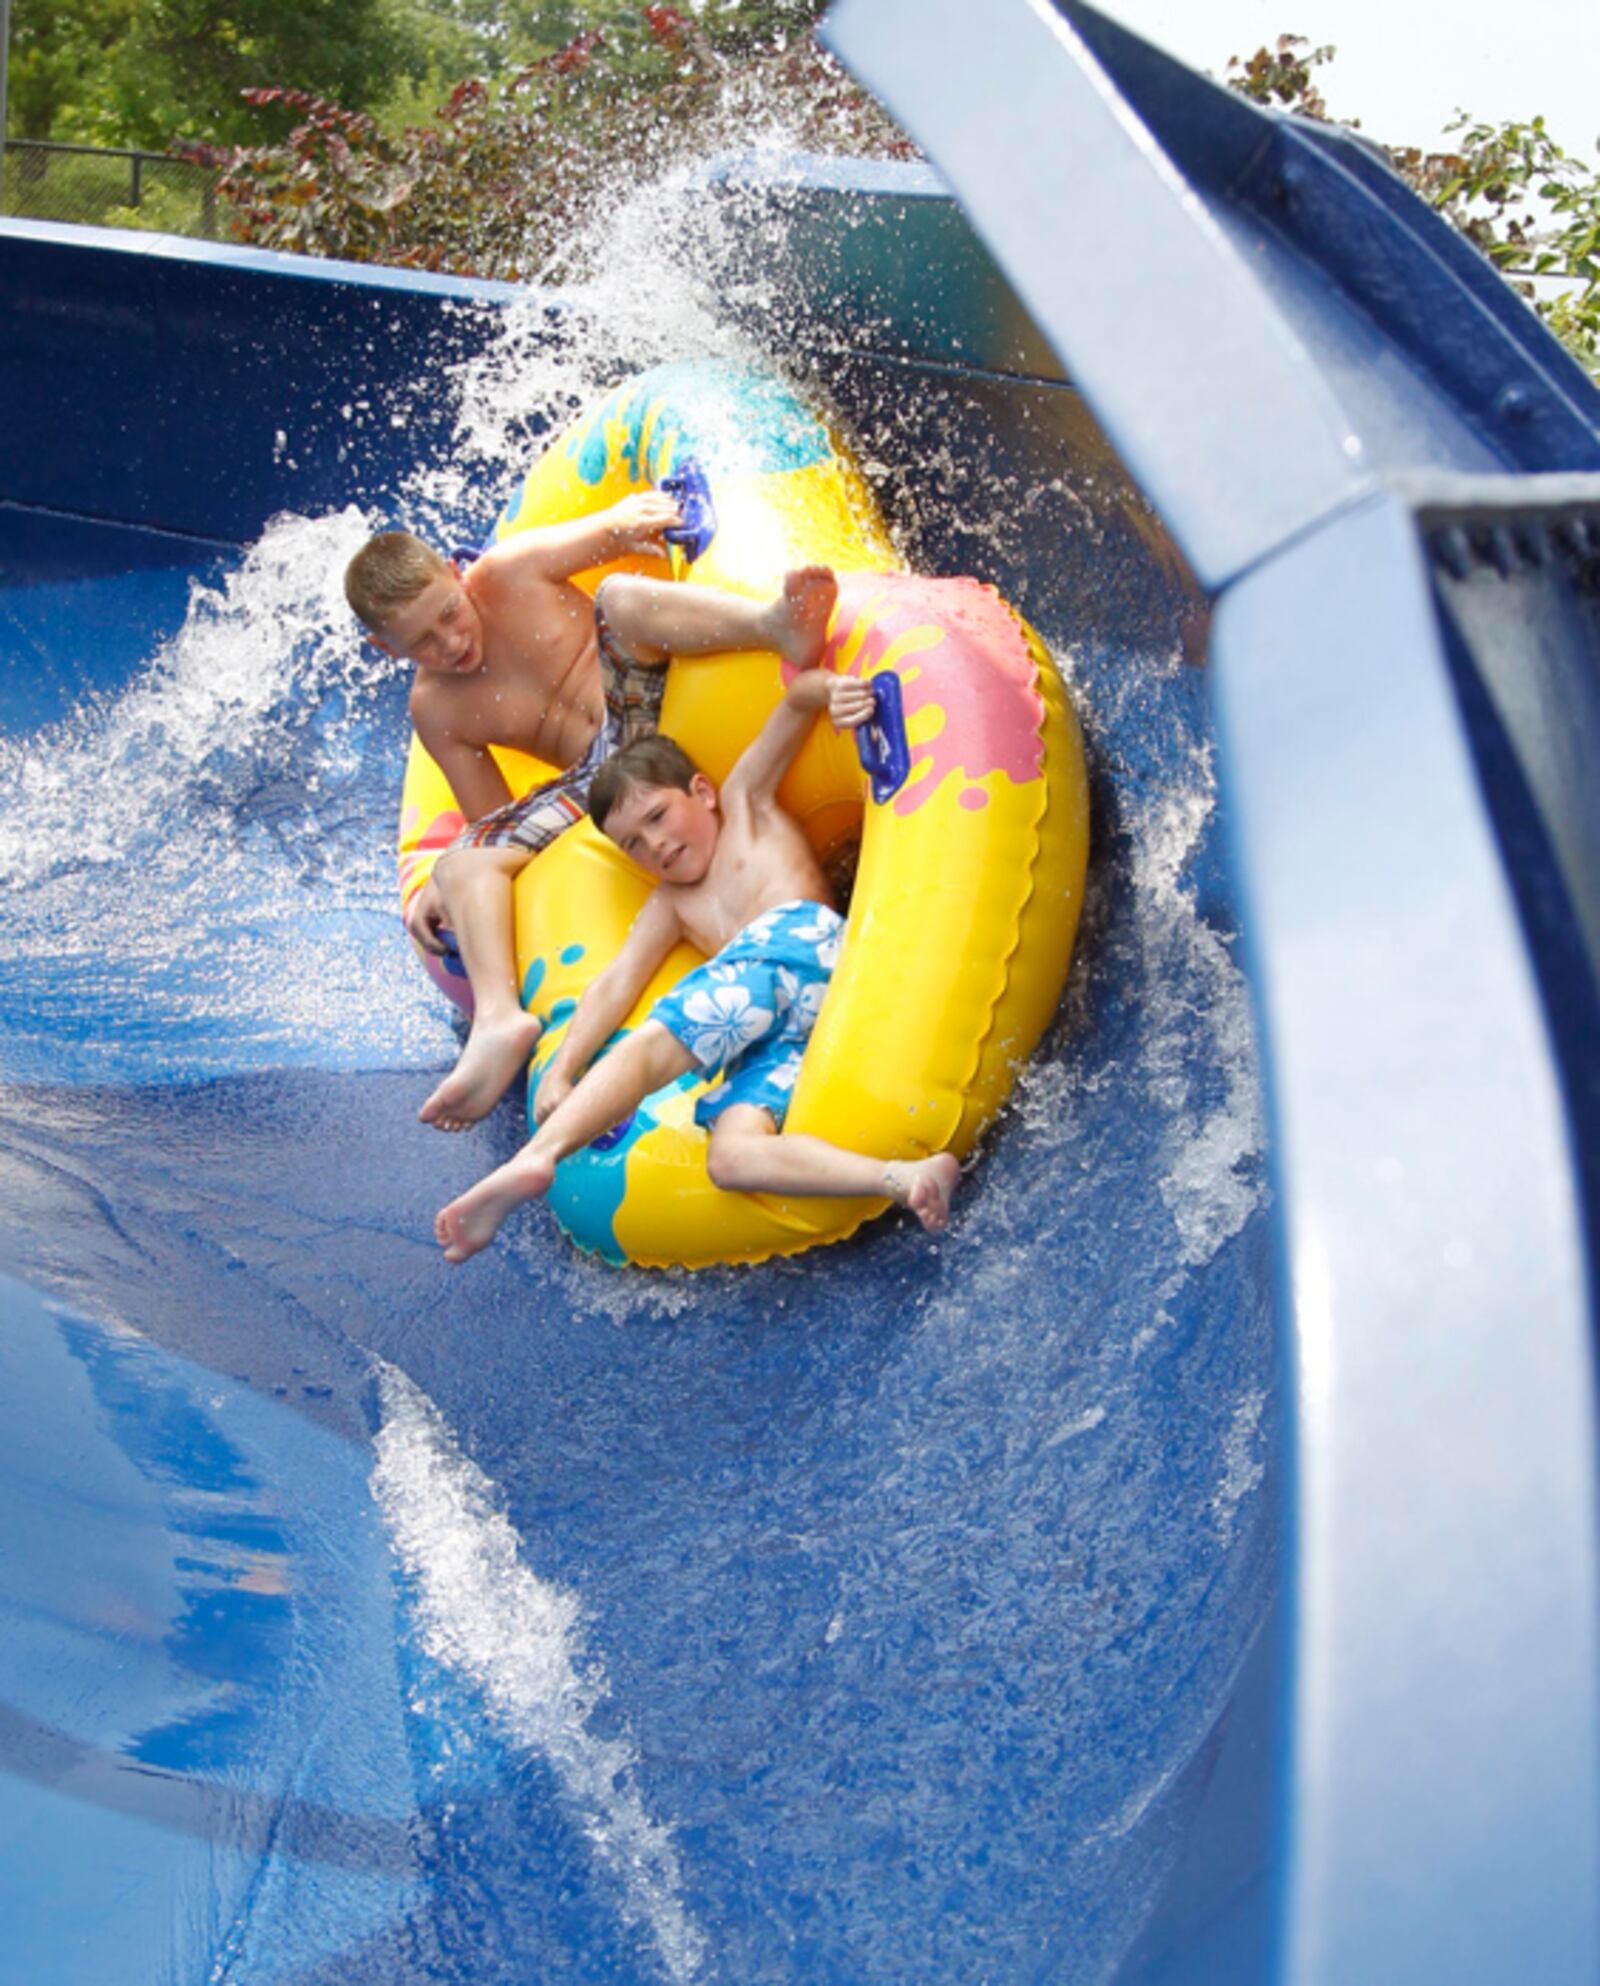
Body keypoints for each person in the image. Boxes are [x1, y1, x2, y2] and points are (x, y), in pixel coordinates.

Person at [433, 627, 963, 1265]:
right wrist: (566, 1066)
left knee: (661, 1038)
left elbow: (796, 706)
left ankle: (538, 1157)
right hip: (786, 1028)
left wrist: (838, 693)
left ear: (702, 794)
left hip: (803, 948)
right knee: (731, 1157)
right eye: (633, 844)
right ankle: (904, 1179)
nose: (653, 846)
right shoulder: (672, 905)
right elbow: (616, 983)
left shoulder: (745, 806)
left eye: (657, 817)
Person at [344, 507, 839, 1133]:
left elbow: (613, 531)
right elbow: (495, 820)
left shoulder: (508, 573)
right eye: (422, 643)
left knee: (618, 595)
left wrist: (643, 517)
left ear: (455, 573)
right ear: (384, 649)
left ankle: (774, 626)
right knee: (464, 857)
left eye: (449, 612)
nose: (452, 642)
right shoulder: (435, 708)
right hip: (594, 781)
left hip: (644, 696)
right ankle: (499, 1019)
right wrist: (453, 873)